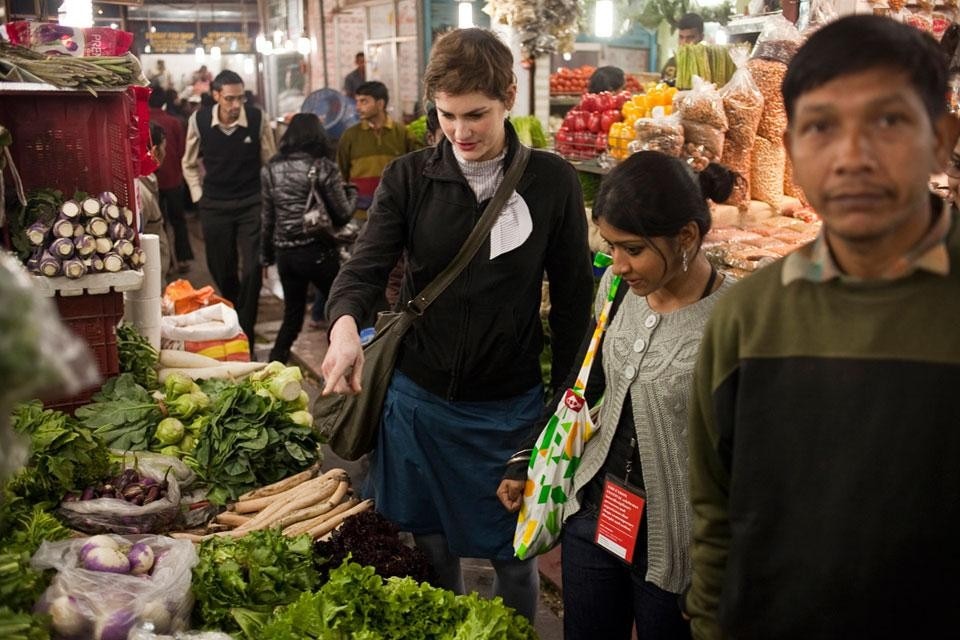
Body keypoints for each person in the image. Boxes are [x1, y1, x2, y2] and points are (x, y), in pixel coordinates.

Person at [686, 15, 960, 640]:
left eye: (888, 122)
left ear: (944, 139)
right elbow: (716, 514)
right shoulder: (744, 319)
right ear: (791, 150)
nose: (852, 157)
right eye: (820, 127)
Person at [320, 27, 594, 622]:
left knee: (514, 559)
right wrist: (344, 327)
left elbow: (576, 302)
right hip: (417, 402)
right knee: (432, 549)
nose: (461, 132)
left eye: (477, 115)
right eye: (447, 115)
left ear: (509, 96)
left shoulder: (551, 182)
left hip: (510, 411)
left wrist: (564, 405)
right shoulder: (410, 177)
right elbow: (364, 269)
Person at [498, 151, 736, 640]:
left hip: (677, 549)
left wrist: (721, 574)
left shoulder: (735, 322)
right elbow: (583, 380)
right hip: (594, 514)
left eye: (632, 249)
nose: (618, 263)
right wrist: (525, 457)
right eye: (611, 246)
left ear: (686, 236)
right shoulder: (618, 287)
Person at [182, 69, 278, 354]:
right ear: (216, 96)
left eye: (241, 98)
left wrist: (267, 199)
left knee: (252, 269)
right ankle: (235, 314)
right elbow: (187, 163)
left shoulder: (257, 119)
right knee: (220, 267)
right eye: (230, 99)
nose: (236, 105)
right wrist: (199, 197)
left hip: (251, 202)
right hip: (214, 204)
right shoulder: (199, 120)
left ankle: (245, 332)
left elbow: (269, 161)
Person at [260, 113, 356, 363]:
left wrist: (266, 255)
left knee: (292, 316)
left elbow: (268, 217)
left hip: (286, 256)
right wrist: (352, 193)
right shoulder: (323, 166)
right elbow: (343, 215)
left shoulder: (271, 168)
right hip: (318, 252)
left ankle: (274, 366)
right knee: (342, 309)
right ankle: (344, 366)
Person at [336, 80, 419, 221]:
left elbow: (414, 171)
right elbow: (341, 173)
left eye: (364, 102)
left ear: (380, 104)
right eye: (357, 102)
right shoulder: (349, 136)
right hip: (360, 214)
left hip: (394, 212)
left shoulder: (402, 133)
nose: (358, 107)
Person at [148, 84, 194, 274]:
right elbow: (183, 151)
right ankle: (183, 259)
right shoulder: (174, 122)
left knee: (158, 223)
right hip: (174, 179)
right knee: (178, 220)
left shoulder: (143, 121)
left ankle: (163, 264)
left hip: (152, 180)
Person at [140, 122, 174, 282]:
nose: (165, 153)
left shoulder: (147, 182)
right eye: (164, 148)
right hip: (150, 284)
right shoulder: (141, 193)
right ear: (154, 151)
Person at [661, 13, 704, 86]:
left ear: (701, 37)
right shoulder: (671, 64)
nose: (684, 43)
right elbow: (664, 90)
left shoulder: (709, 65)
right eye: (681, 37)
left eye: (690, 37)